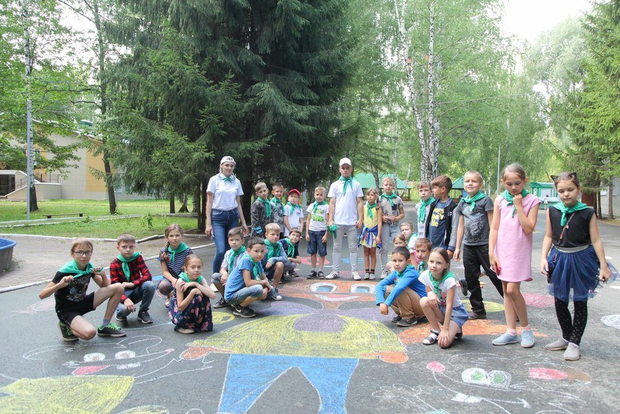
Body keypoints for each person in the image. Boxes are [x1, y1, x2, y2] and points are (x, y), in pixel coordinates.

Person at [540, 172, 612, 361]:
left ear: (578, 189)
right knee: (559, 300)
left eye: (570, 189)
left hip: (582, 260)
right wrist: (543, 258)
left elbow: (596, 240)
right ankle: (566, 336)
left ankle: (575, 343)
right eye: (561, 191)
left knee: (580, 301)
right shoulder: (552, 211)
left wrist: (603, 265)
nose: (566, 194)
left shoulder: (587, 212)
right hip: (559, 260)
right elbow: (548, 236)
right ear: (557, 192)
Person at [489, 163, 540, 348]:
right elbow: (494, 227)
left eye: (517, 183)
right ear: (503, 182)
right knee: (505, 289)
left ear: (525, 181)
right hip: (502, 250)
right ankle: (511, 331)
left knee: (512, 290)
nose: (513, 187)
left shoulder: (532, 200)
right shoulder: (500, 200)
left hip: (519, 251)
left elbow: (529, 228)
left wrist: (518, 206)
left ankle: (526, 329)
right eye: (509, 184)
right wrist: (491, 252)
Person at [39, 238, 126, 342]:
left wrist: (103, 275)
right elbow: (42, 295)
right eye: (79, 252)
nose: (84, 256)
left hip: (83, 302)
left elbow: (105, 287)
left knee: (118, 287)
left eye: (87, 252)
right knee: (90, 333)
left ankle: (105, 325)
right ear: (72, 254)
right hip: (67, 310)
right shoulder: (65, 271)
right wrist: (59, 285)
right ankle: (65, 325)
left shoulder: (89, 267)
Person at [453, 171, 503, 320]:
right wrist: (457, 247)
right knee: (471, 278)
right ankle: (478, 309)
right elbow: (460, 226)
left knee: (494, 275)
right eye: (467, 181)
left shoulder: (485, 200)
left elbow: (493, 224)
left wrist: (495, 246)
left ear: (480, 185)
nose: (470, 183)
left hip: (485, 245)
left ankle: (512, 305)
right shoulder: (462, 202)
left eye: (474, 181)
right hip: (469, 246)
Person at [205, 156, 249, 273]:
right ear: (221, 166)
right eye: (227, 165)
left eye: (231, 166)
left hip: (233, 216)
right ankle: (215, 277)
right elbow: (209, 203)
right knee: (221, 251)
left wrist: (243, 223)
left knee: (231, 249)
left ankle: (229, 276)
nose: (229, 168)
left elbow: (238, 203)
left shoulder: (236, 181)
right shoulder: (214, 180)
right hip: (218, 217)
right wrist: (208, 224)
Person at [419, 248, 468, 348]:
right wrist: (430, 293)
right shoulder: (425, 274)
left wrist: (445, 329)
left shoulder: (449, 280)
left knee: (444, 343)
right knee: (424, 301)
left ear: (446, 265)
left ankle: (455, 328)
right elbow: (428, 290)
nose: (434, 265)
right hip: (441, 309)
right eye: (431, 261)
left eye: (439, 263)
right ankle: (435, 330)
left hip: (455, 312)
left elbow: (449, 305)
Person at [326, 157, 364, 280]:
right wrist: (330, 219)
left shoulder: (356, 184)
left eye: (347, 168)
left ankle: (354, 271)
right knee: (337, 247)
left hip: (351, 221)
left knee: (353, 247)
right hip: (338, 221)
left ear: (351, 169)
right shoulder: (335, 185)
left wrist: (360, 219)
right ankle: (335, 270)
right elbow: (332, 202)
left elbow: (359, 202)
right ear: (340, 169)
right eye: (343, 168)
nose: (345, 170)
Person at [109, 234, 155, 324]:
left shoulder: (138, 258)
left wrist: (133, 283)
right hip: (122, 293)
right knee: (124, 310)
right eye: (124, 247)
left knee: (149, 285)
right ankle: (120, 313)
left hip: (136, 289)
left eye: (131, 247)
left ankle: (143, 311)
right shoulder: (114, 264)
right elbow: (114, 287)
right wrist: (125, 299)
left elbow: (148, 275)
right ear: (118, 247)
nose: (128, 249)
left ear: (134, 247)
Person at [376, 247, 427, 327]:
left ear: (408, 262)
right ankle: (402, 313)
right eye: (394, 261)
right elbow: (380, 285)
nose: (397, 264)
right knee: (385, 289)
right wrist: (381, 302)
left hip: (423, 307)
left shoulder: (411, 272)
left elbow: (399, 288)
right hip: (414, 303)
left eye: (400, 260)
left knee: (401, 289)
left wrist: (386, 304)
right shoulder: (396, 272)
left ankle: (409, 317)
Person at [224, 237, 272, 318]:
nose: (259, 254)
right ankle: (240, 308)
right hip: (231, 296)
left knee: (270, 290)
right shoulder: (246, 260)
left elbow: (264, 278)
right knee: (258, 289)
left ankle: (241, 303)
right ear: (248, 250)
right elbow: (248, 283)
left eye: (262, 251)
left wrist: (266, 287)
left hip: (241, 291)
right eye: (256, 251)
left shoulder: (257, 261)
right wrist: (264, 283)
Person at [168, 254, 215, 334]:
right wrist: (193, 292)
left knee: (203, 292)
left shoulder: (200, 279)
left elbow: (212, 295)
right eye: (193, 267)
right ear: (186, 269)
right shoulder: (181, 281)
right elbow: (180, 307)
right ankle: (182, 325)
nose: (196, 270)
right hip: (181, 312)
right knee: (197, 296)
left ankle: (197, 323)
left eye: (199, 267)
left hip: (193, 310)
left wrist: (196, 284)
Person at [158, 224, 194, 308]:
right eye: (171, 236)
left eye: (177, 235)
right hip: (170, 277)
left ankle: (180, 296)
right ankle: (170, 295)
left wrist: (181, 280)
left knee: (186, 288)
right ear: (167, 237)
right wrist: (173, 280)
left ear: (182, 235)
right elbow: (165, 271)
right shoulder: (163, 252)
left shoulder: (187, 251)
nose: (174, 238)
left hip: (184, 276)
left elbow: (190, 269)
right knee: (163, 286)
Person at [211, 227, 246, 309]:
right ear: (228, 241)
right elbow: (222, 268)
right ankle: (226, 298)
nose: (234, 242)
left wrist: (230, 281)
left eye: (237, 240)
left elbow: (243, 274)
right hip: (230, 279)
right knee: (215, 276)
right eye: (231, 240)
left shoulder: (245, 255)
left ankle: (238, 301)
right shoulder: (228, 253)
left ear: (242, 240)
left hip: (241, 281)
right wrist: (225, 273)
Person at [425, 175, 458, 256]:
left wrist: (451, 247)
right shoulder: (433, 205)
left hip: (443, 247)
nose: (432, 190)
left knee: (442, 263)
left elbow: (455, 229)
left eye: (434, 188)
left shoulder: (453, 207)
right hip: (430, 246)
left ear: (443, 189)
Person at [379, 177, 405, 279]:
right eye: (386, 185)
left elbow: (402, 214)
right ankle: (384, 270)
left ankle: (397, 269)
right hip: (384, 225)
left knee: (398, 246)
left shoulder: (397, 199)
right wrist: (382, 217)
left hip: (395, 225)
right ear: (383, 186)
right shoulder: (380, 199)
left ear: (393, 186)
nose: (388, 187)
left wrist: (396, 218)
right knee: (384, 248)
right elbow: (377, 213)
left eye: (390, 185)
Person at [306, 186, 330, 279]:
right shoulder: (311, 206)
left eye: (321, 195)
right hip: (312, 231)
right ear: (314, 195)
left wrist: (326, 234)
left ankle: (320, 270)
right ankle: (313, 270)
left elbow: (328, 221)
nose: (319, 197)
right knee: (312, 252)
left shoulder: (326, 207)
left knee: (322, 252)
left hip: (321, 232)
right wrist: (307, 233)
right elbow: (308, 220)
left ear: (324, 196)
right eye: (317, 195)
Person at [359, 187, 383, 280]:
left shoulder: (378, 208)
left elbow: (380, 222)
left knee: (373, 252)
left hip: (374, 233)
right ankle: (366, 272)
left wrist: (378, 235)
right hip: (366, 232)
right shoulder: (364, 207)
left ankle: (372, 271)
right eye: (368, 195)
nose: (369, 197)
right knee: (366, 252)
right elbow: (362, 219)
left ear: (376, 196)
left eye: (372, 195)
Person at [263, 223, 286, 300]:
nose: (275, 237)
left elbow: (285, 258)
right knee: (262, 294)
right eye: (272, 234)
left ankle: (274, 289)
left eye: (277, 235)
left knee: (280, 264)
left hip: (270, 270)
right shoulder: (262, 244)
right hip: (260, 271)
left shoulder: (279, 245)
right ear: (266, 234)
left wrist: (273, 259)